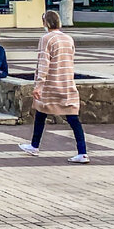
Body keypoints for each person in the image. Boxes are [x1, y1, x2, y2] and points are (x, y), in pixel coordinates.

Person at [19, 10, 88, 163]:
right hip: (67, 82)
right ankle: (82, 151)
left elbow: (44, 62)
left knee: (41, 112)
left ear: (46, 22)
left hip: (51, 84)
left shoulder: (46, 39)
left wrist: (38, 85)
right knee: (71, 117)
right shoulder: (68, 38)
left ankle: (34, 145)